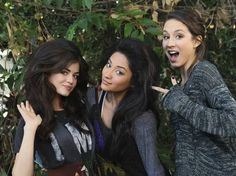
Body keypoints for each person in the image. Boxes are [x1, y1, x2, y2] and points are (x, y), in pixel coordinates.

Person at [152, 8, 236, 176]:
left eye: (179, 36)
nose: (169, 43)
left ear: (196, 41)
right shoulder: (182, 82)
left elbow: (233, 121)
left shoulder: (204, 72)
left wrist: (181, 103)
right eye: (166, 36)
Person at [12, 39, 95, 176]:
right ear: (47, 71)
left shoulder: (80, 108)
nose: (71, 81)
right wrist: (31, 128)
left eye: (75, 75)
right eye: (64, 72)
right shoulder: (32, 118)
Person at [87, 38, 166, 176]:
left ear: (134, 82)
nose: (107, 74)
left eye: (119, 72)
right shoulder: (93, 98)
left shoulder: (142, 118)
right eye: (109, 64)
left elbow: (154, 170)